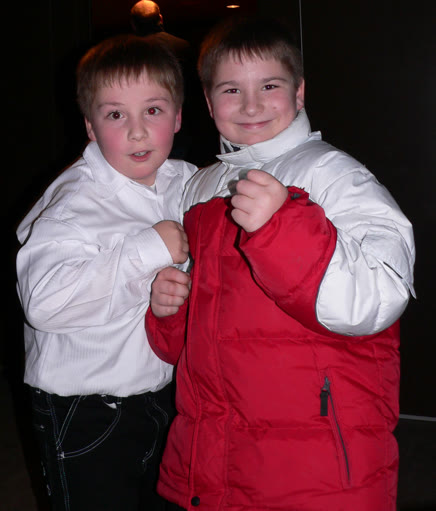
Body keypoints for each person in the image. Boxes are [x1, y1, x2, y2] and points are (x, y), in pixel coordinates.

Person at [145, 16, 416, 511]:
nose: (251, 105)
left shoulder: (336, 175)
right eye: (231, 90)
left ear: (299, 92)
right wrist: (168, 309)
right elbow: (191, 342)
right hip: (212, 461)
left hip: (319, 469)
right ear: (208, 101)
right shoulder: (199, 188)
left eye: (269, 85)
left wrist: (280, 228)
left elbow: (379, 298)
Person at [15, 34, 196, 511]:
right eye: (116, 115)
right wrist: (146, 250)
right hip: (85, 410)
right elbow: (43, 303)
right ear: (91, 127)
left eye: (152, 110)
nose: (137, 132)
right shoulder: (73, 203)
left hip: (162, 393)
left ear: (178, 116)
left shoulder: (185, 182)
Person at [130, 0, 198, 161]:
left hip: (144, 125)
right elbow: (195, 90)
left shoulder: (129, 53)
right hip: (181, 123)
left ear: (133, 24)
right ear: (160, 18)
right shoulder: (183, 47)